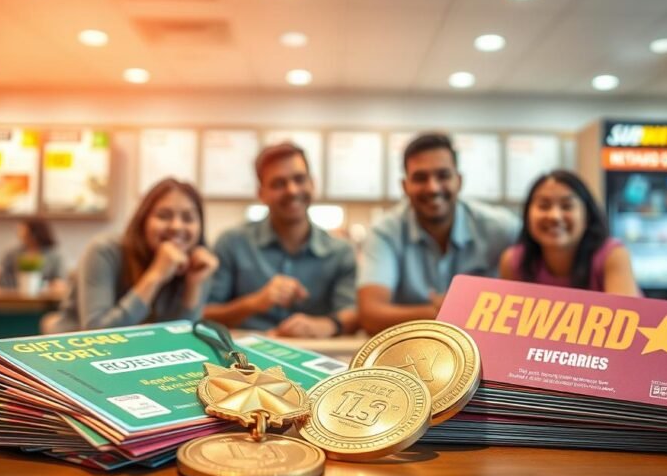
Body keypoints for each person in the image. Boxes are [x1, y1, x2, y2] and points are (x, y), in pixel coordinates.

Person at [357, 132, 518, 334]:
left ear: (459, 181)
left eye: (443, 176)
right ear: (405, 186)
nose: (433, 188)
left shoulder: (503, 229)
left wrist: (439, 312)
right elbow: (371, 315)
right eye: (420, 178)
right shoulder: (385, 232)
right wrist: (452, 312)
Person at [203, 142, 358, 337]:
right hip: (245, 357)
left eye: (299, 179)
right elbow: (205, 313)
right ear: (261, 194)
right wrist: (253, 303)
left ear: (313, 184)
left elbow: (353, 313)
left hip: (316, 352)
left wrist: (325, 325)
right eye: (278, 184)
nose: (292, 190)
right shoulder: (232, 243)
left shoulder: (341, 252)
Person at [43, 179, 218, 333]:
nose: (176, 226)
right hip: (71, 358)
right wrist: (156, 274)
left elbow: (181, 337)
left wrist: (193, 285)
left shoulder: (197, 264)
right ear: (143, 220)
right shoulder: (104, 251)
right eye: (164, 216)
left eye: (188, 218)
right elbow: (97, 333)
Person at [499, 170, 639, 296]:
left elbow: (627, 319)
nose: (555, 216)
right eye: (544, 206)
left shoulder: (613, 256)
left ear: (587, 216)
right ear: (527, 214)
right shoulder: (513, 262)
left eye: (567, 206)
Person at [0, 218, 63, 290]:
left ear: (35, 233)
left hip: (43, 298)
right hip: (13, 297)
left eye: (23, 231)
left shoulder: (53, 256)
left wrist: (54, 285)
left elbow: (60, 282)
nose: (20, 234)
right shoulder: (13, 253)